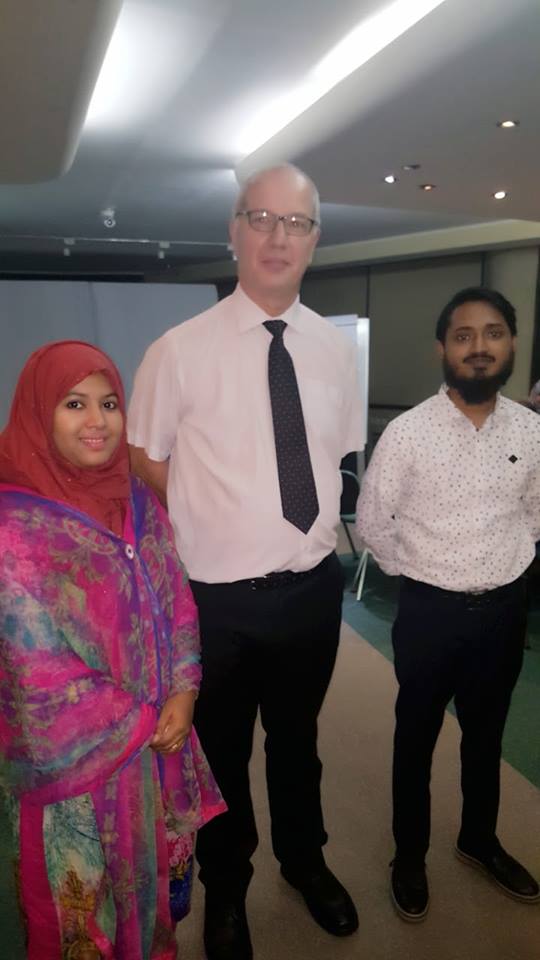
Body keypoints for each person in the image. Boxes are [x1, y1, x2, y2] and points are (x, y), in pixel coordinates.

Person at [128, 164, 362, 960]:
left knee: (298, 741)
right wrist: (209, 509)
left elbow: (331, 455)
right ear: (233, 232)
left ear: (314, 240)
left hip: (312, 592)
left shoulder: (334, 350)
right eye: (259, 218)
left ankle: (305, 860)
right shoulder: (178, 351)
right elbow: (145, 456)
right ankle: (228, 889)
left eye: (295, 222)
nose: (276, 236)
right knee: (221, 755)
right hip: (216, 603)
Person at [0, 341, 226, 960]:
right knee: (82, 922)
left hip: (157, 743)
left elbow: (177, 596)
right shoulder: (13, 528)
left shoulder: (138, 499)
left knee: (154, 906)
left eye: (108, 403)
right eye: (74, 404)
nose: (96, 421)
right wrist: (145, 722)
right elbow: (33, 671)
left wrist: (185, 687)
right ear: (39, 413)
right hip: (76, 770)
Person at [356, 287, 540, 921]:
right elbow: (373, 522)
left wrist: (503, 566)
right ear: (443, 348)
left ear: (511, 343)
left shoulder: (532, 431)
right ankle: (409, 855)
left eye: (493, 333)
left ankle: (478, 840)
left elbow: (536, 514)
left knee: (486, 737)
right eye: (464, 336)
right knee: (415, 738)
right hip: (429, 614)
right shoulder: (408, 433)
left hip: (503, 612)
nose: (479, 347)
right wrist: (421, 574)